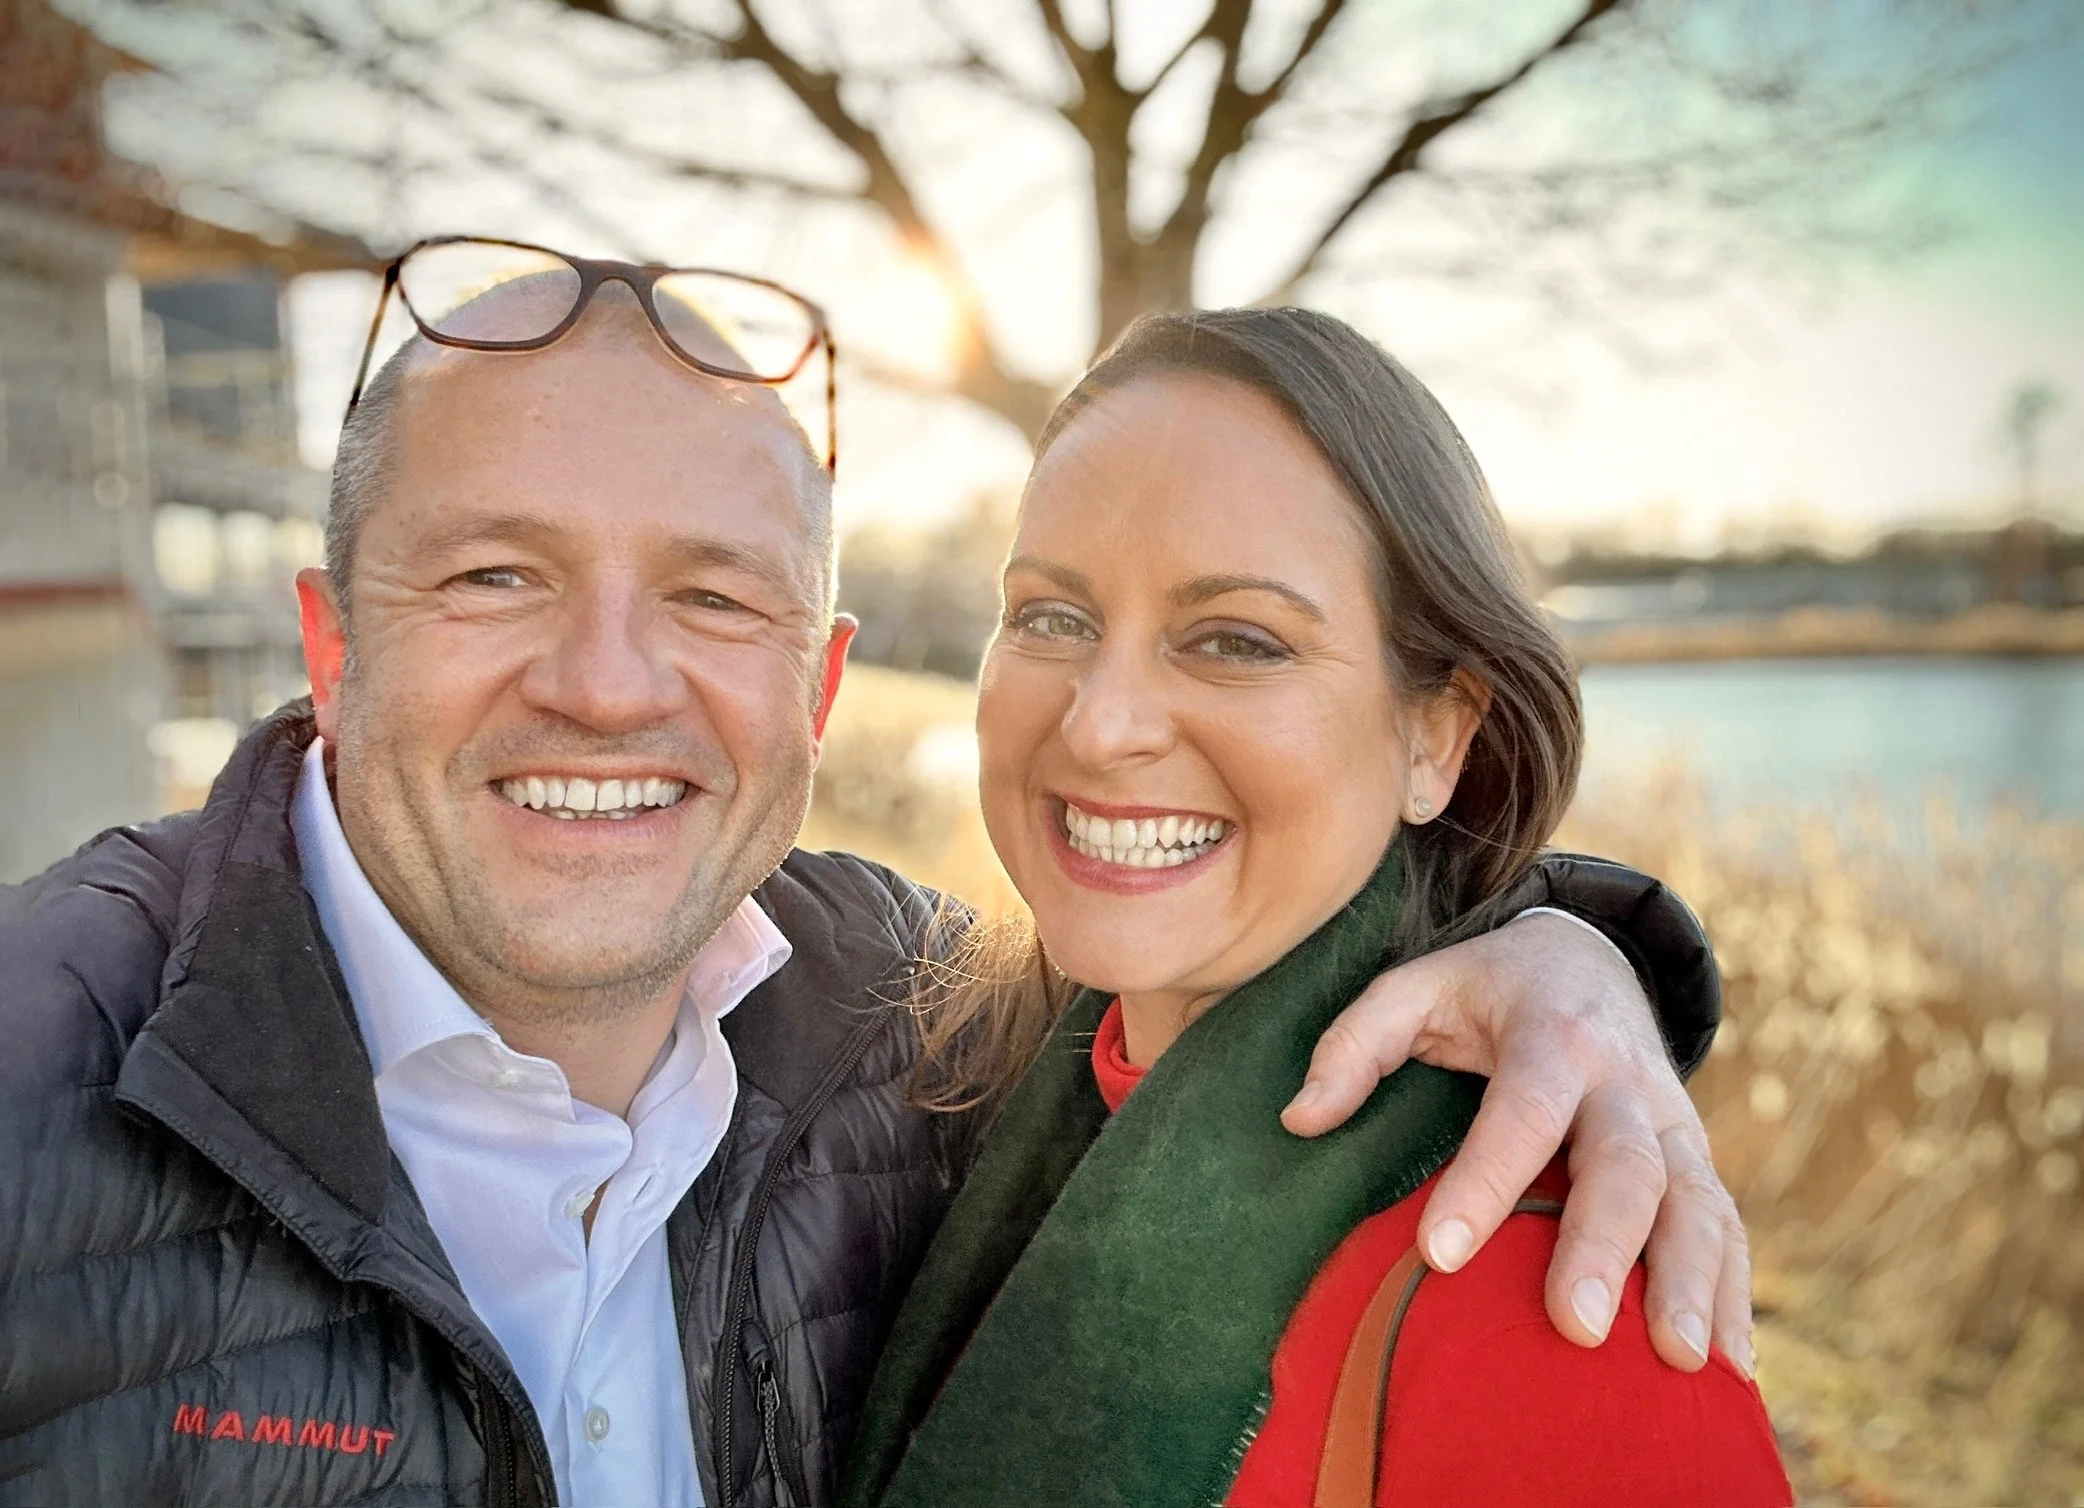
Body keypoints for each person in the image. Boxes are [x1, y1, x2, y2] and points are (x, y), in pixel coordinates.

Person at [1, 242, 1737, 1508]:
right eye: (491, 577)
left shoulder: (900, 1036)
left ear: (817, 686)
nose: (606, 682)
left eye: (709, 596)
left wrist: (1560, 948)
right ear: (326, 644)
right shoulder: (37, 1096)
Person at [843, 308, 1791, 1507]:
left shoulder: (1550, 1300)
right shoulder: (940, 1080)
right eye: (1049, 616)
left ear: (1436, 737)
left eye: (1235, 639)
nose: (1097, 720)